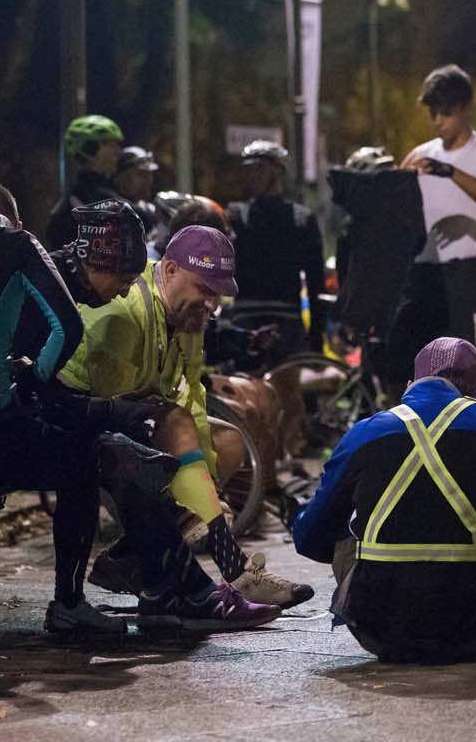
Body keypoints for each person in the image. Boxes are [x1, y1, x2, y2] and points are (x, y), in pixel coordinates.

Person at [0, 190, 280, 633]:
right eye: (124, 278)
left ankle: (171, 589)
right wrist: (35, 380)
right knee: (105, 457)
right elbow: (65, 328)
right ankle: (109, 599)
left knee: (114, 450)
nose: (127, 289)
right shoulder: (19, 249)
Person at [59, 223, 314, 607]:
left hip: (131, 417)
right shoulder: (124, 311)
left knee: (227, 442)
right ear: (171, 270)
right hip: (77, 421)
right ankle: (236, 571)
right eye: (205, 289)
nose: (212, 303)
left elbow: (192, 395)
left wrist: (207, 489)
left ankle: (129, 559)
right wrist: (201, 506)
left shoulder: (187, 315)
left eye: (218, 294)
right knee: (174, 422)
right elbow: (118, 406)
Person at [292, 337, 476, 663]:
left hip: (378, 632)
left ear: (410, 386)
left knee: (344, 528)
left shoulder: (366, 431)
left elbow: (310, 539)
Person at [390, 65, 476, 386]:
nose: (437, 120)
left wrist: (451, 173)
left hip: (464, 274)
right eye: (433, 112)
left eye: (446, 111)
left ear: (466, 108)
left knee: (468, 374)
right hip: (422, 274)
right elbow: (391, 213)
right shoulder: (419, 155)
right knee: (411, 370)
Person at [225, 140, 326, 361]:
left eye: (259, 168)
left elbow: (315, 281)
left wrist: (316, 335)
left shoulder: (301, 219)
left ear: (278, 170)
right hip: (245, 319)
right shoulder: (235, 216)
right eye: (249, 169)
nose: (253, 175)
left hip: (287, 323)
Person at [45, 114, 126, 251]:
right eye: (111, 145)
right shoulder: (93, 199)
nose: (118, 152)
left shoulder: (69, 201)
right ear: (90, 150)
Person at [114, 145, 160, 230]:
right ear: (121, 176)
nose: (148, 180)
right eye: (141, 174)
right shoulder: (109, 210)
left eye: (149, 175)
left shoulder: (151, 211)